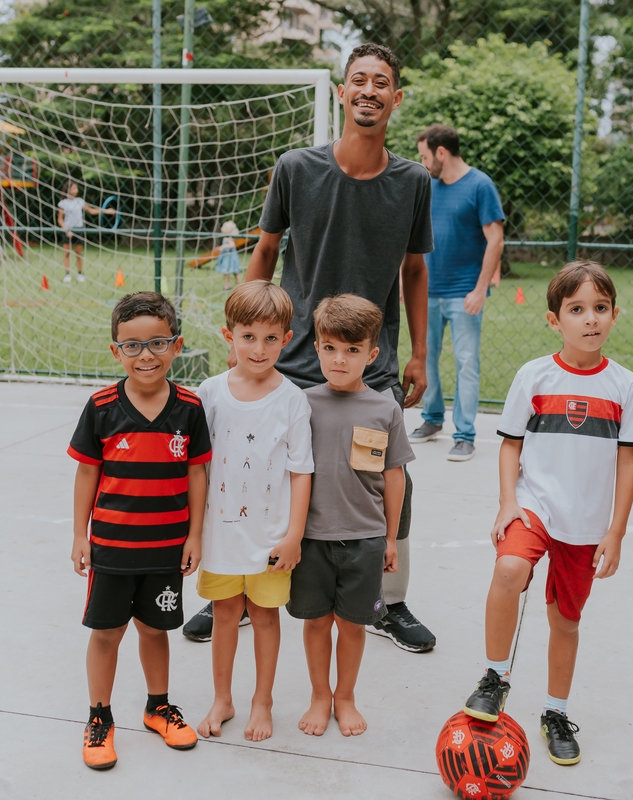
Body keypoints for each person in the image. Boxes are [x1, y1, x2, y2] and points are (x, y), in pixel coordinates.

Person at [182, 42, 438, 653]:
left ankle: (385, 601)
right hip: (293, 361)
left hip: (371, 365)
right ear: (342, 93)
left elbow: (415, 271)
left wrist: (421, 352)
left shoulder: (413, 182)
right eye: (359, 80)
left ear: (395, 99)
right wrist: (244, 334)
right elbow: (266, 252)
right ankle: (243, 589)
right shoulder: (296, 168)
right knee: (264, 474)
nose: (370, 90)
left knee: (382, 479)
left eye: (382, 82)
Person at [462, 261, 633, 768]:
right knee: (508, 568)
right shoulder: (533, 375)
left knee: (565, 620)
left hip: (586, 523)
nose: (591, 319)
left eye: (601, 309)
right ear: (553, 320)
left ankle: (555, 713)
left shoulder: (625, 386)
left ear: (613, 316)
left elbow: (629, 461)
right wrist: (507, 501)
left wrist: (616, 530)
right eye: (577, 309)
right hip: (534, 503)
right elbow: (509, 445)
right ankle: (494, 678)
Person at [68, 291, 212, 770]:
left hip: (166, 548)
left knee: (155, 630)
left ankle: (158, 707)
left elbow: (196, 473)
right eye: (132, 346)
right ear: (116, 351)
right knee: (107, 633)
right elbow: (87, 472)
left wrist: (193, 536)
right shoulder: (102, 406)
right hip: (112, 546)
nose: (146, 355)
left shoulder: (189, 407)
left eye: (157, 343)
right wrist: (79, 535)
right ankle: (99, 717)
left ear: (176, 345)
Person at [194, 280, 314, 743]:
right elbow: (197, 468)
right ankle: (222, 698)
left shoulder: (293, 401)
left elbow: (302, 472)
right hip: (220, 533)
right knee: (224, 612)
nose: (259, 348)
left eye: (270, 338)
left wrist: (294, 535)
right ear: (229, 336)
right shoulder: (209, 393)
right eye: (248, 336)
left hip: (270, 537)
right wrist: (194, 532)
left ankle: (262, 700)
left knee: (264, 617)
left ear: (286, 338)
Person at [291, 294, 415, 737]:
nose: (339, 359)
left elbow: (394, 478)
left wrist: (387, 540)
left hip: (364, 539)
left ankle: (345, 696)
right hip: (311, 539)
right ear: (317, 347)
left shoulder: (385, 409)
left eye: (352, 350)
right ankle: (319, 695)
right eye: (329, 348)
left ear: (372, 353)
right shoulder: (300, 403)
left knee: (354, 624)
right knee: (316, 621)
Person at [407, 124, 504, 463]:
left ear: (441, 152)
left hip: (465, 294)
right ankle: (432, 419)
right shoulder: (428, 187)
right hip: (427, 293)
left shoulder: (480, 185)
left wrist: (480, 289)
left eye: (424, 156)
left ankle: (464, 435)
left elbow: (495, 239)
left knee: (466, 364)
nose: (423, 162)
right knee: (427, 360)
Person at [58, 181, 116, 282]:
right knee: (67, 253)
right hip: (68, 230)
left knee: (78, 253)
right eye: (74, 188)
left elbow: (91, 210)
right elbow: (60, 219)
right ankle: (67, 274)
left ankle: (79, 274)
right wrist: (67, 230)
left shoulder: (80, 201)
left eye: (76, 188)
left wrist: (105, 211)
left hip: (79, 229)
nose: (76, 190)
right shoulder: (63, 203)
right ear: (68, 190)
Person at [215, 220, 243, 290]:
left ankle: (239, 284)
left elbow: (232, 245)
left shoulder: (228, 237)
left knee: (234, 271)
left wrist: (223, 247)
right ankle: (228, 284)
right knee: (224, 271)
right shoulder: (226, 237)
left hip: (230, 257)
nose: (222, 228)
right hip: (226, 256)